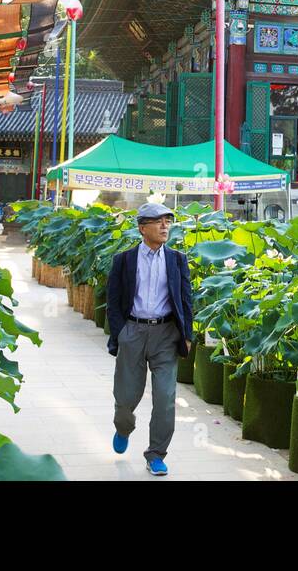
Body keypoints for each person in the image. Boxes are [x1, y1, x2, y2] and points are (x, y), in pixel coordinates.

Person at [106, 201, 194, 477]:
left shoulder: (177, 259)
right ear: (143, 228)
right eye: (158, 221)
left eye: (168, 221)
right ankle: (123, 427)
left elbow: (186, 299)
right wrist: (121, 332)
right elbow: (113, 300)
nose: (165, 225)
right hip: (133, 331)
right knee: (125, 397)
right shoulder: (124, 260)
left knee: (166, 398)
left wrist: (187, 334)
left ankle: (156, 454)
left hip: (166, 334)